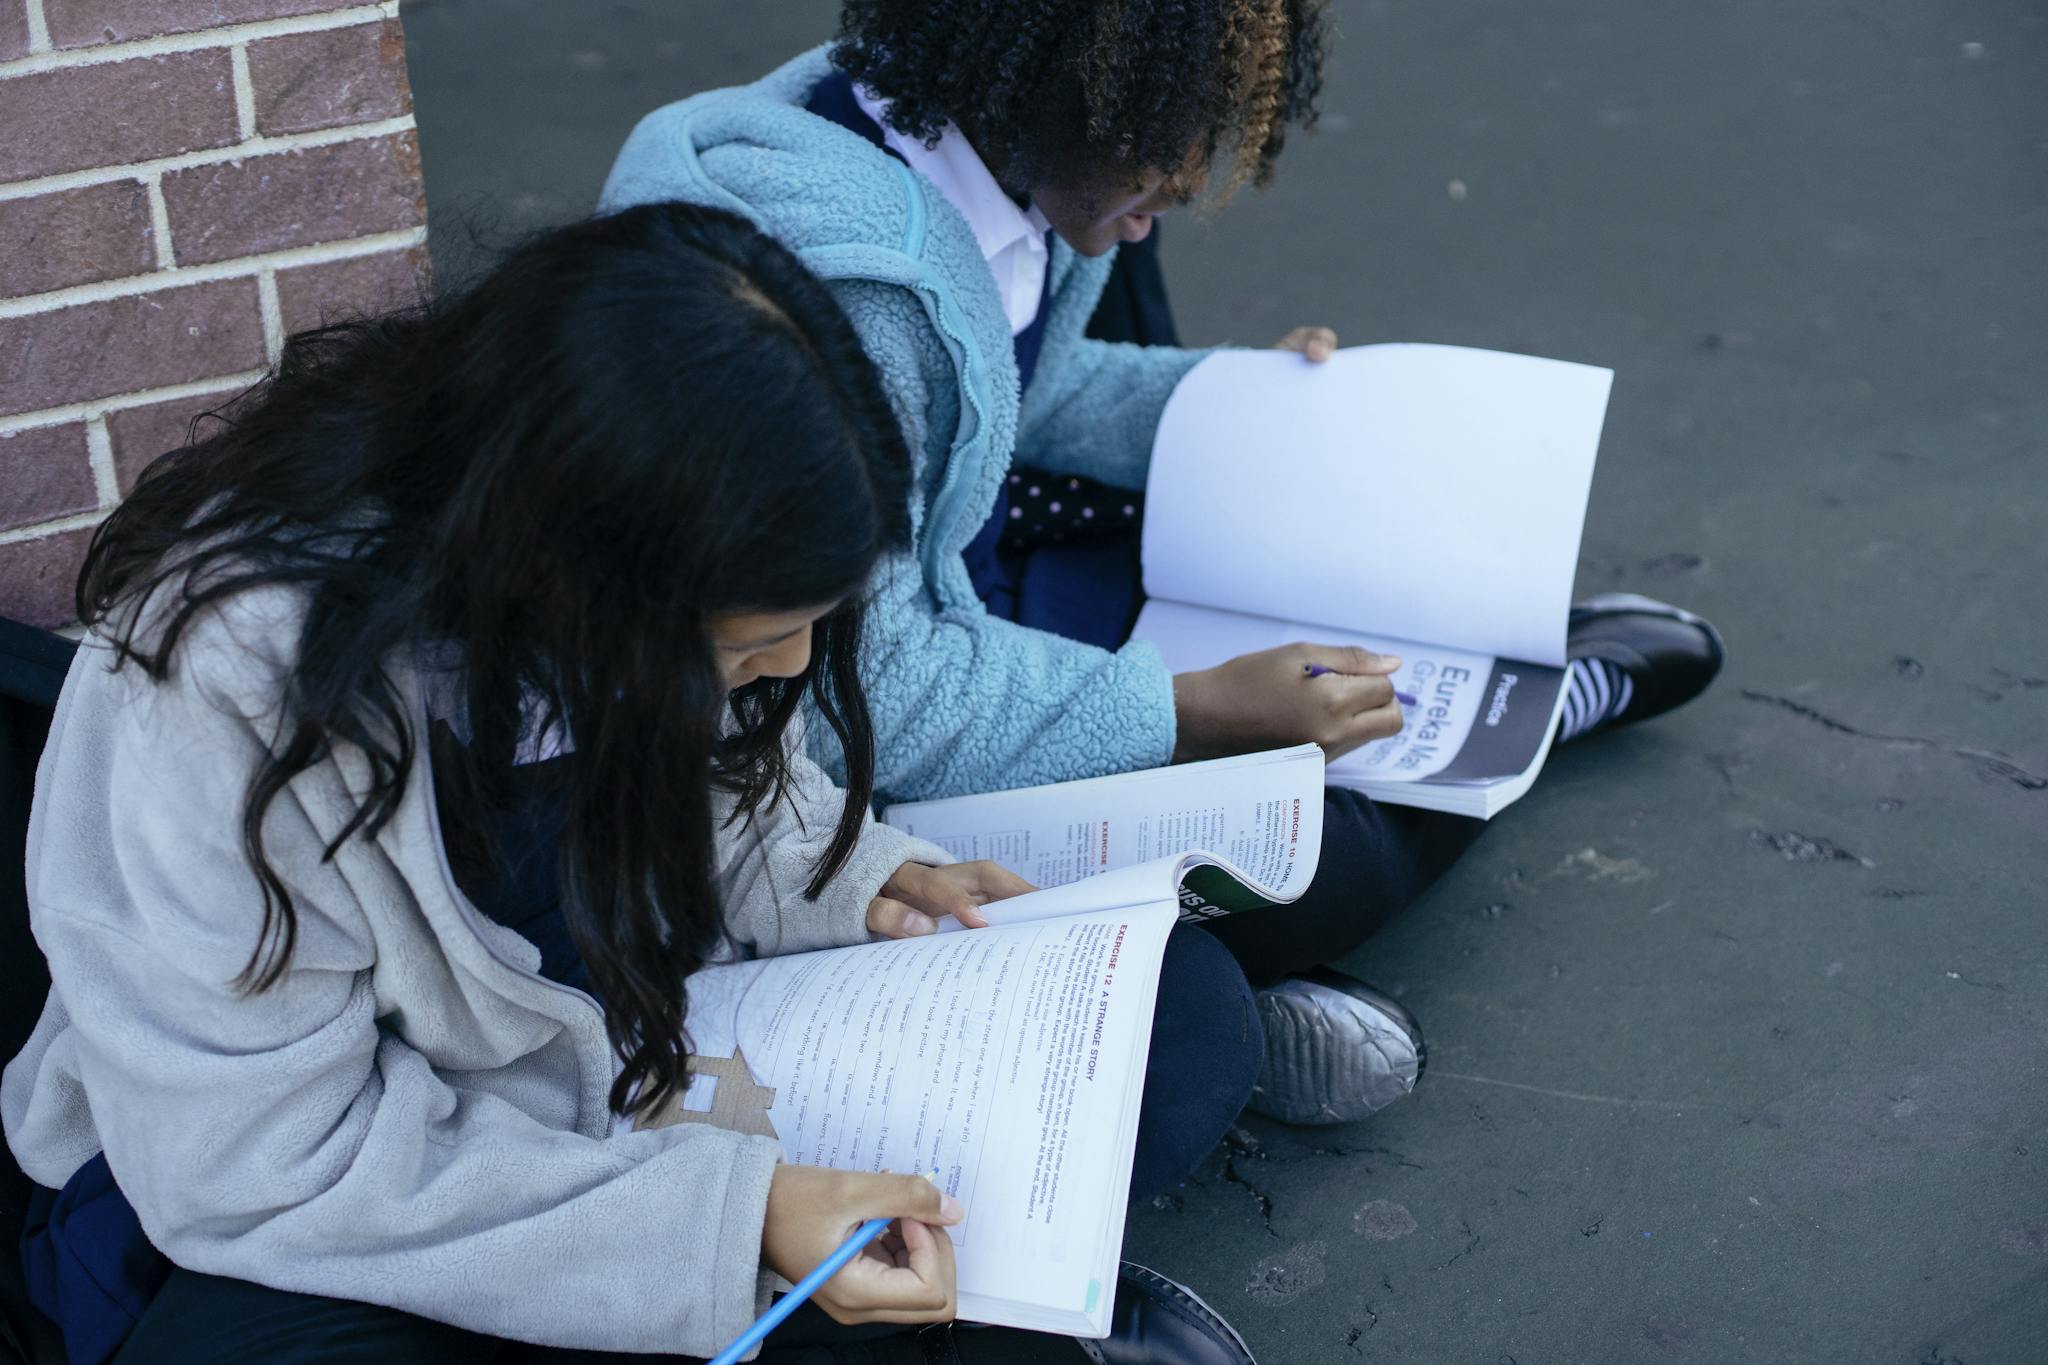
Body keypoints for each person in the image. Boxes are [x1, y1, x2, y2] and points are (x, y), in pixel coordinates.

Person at [1, 204, 1263, 1365]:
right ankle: (975, 1308)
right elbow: (266, 1166)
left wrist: (853, 873)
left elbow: (730, 794)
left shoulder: (616, 556)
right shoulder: (221, 690)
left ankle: (921, 1301)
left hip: (639, 1037)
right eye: (742, 643)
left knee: (1181, 1018)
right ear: (573, 580)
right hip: (359, 1174)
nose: (791, 668)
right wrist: (725, 1226)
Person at [601, 0, 1726, 1127]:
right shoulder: (863, 299)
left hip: (965, 589)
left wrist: (1228, 403)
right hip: (848, 740)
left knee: (1285, 573)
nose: (1180, 190)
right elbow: (863, 692)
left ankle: (1486, 722)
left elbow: (1012, 389)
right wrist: (1189, 713)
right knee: (1325, 852)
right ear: (1056, 86)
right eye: (1164, 143)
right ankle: (1495, 740)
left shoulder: (967, 145)